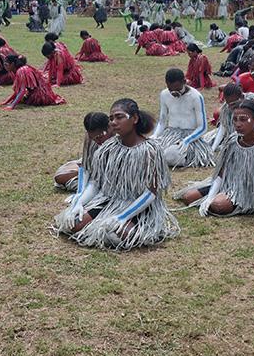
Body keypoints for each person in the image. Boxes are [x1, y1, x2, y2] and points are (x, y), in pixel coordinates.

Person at [52, 98, 179, 251]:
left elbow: (150, 194)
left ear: (135, 119)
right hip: (109, 200)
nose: (113, 122)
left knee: (114, 234)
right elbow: (95, 183)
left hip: (139, 206)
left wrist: (122, 217)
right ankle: (103, 221)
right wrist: (79, 202)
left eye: (119, 117)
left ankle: (137, 229)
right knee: (72, 224)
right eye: (111, 118)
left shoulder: (150, 151)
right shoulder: (108, 148)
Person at [179, 99, 254, 222]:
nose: (238, 124)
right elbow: (221, 173)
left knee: (218, 205)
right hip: (229, 184)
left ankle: (233, 201)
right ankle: (217, 198)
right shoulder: (232, 141)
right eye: (235, 120)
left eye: (243, 119)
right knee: (188, 197)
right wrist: (209, 198)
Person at [152, 68, 213, 168]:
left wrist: (186, 141)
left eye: (178, 89)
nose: (175, 93)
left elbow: (202, 127)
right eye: (171, 90)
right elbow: (162, 121)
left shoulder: (196, 97)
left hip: (191, 136)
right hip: (170, 135)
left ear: (184, 82)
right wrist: (155, 136)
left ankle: (186, 157)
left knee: (170, 156)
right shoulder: (164, 95)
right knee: (151, 152)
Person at [53, 112, 113, 192]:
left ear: (109, 128)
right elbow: (88, 164)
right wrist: (87, 169)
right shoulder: (91, 139)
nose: (97, 141)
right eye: (93, 138)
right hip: (93, 172)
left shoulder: (121, 137)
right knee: (60, 177)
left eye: (99, 137)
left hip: (110, 177)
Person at [0, 55, 65, 109]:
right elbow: (18, 91)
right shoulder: (19, 70)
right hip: (39, 93)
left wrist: (12, 106)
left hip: (40, 96)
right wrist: (6, 102)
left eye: (6, 64)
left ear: (12, 64)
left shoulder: (21, 71)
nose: (5, 67)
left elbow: (22, 91)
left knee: (22, 99)